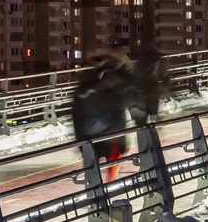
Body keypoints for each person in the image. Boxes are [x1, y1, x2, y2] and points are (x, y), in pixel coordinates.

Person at [71, 52, 133, 183]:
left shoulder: (84, 88)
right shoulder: (107, 88)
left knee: (95, 169)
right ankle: (106, 187)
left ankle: (97, 190)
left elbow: (76, 115)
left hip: (91, 135)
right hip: (107, 135)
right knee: (110, 164)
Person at [128, 48, 169, 126]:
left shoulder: (145, 69)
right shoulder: (145, 70)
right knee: (141, 124)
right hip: (140, 100)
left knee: (142, 123)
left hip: (142, 100)